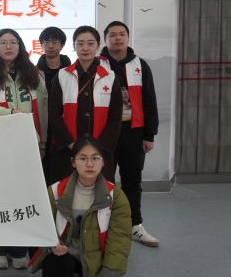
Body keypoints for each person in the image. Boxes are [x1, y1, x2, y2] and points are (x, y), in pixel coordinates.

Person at [0, 28, 48, 270]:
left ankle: (19, 249)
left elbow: (44, 108)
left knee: (23, 197)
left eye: (13, 42)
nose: (8, 46)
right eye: (3, 42)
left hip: (27, 146)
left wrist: (43, 139)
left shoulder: (33, 75)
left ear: (20, 46)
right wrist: (11, 114)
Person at [30, 135, 132, 277]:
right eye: (83, 158)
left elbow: (119, 240)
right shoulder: (55, 191)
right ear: (73, 162)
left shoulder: (116, 197)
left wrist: (109, 273)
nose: (89, 164)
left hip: (96, 261)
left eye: (95, 158)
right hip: (64, 256)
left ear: (103, 162)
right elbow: (42, 228)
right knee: (56, 263)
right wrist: (52, 246)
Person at [100, 21, 160, 247]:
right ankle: (103, 226)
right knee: (103, 181)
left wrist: (149, 135)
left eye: (122, 34)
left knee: (132, 181)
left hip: (133, 132)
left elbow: (149, 100)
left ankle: (135, 225)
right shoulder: (97, 64)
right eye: (112, 35)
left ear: (128, 37)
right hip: (105, 133)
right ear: (105, 39)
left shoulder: (140, 65)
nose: (117, 38)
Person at [49, 26, 122, 184]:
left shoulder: (110, 77)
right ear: (74, 46)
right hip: (68, 150)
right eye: (80, 44)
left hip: (101, 151)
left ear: (98, 45)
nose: (85, 48)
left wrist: (99, 148)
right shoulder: (62, 76)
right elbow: (54, 114)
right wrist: (71, 144)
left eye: (90, 43)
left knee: (101, 192)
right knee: (67, 191)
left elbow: (116, 117)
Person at [36, 27, 72, 183]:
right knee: (42, 167)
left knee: (63, 167)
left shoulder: (71, 71)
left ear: (62, 45)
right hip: (43, 124)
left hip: (65, 124)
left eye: (55, 42)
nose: (50, 46)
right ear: (41, 45)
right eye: (46, 42)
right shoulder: (34, 72)